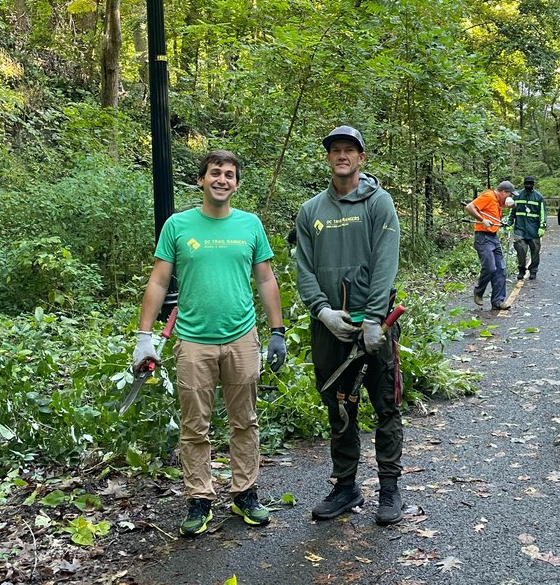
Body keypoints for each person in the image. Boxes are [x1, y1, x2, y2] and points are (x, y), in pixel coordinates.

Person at [133, 149, 287, 538]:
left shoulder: (250, 225)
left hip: (241, 338)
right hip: (192, 342)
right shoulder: (178, 226)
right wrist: (143, 338)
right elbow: (158, 281)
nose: (222, 179)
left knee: (245, 421)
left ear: (237, 184)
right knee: (194, 426)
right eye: (215, 173)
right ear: (201, 180)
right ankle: (199, 499)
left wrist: (277, 331)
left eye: (230, 175)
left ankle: (244, 494)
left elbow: (266, 280)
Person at [295, 125, 404, 526]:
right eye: (335, 150)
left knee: (385, 404)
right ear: (328, 158)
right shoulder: (311, 211)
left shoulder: (379, 203)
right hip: (330, 327)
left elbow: (384, 261)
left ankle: (390, 488)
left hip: (373, 324)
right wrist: (321, 310)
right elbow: (303, 266)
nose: (342, 155)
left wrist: (375, 318)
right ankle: (345, 486)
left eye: (349, 150)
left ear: (361, 158)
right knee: (339, 406)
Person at [465, 180, 516, 310]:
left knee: (501, 269)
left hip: (494, 237)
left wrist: (512, 205)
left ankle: (498, 301)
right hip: (483, 237)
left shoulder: (498, 201)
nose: (510, 197)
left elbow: (507, 205)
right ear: (503, 192)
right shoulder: (488, 196)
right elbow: (469, 207)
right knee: (490, 267)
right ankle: (479, 291)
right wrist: (482, 220)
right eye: (509, 194)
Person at [509, 176, 547, 281]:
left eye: (530, 184)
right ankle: (521, 269)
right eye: (527, 184)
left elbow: (543, 213)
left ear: (533, 184)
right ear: (524, 184)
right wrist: (509, 223)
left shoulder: (538, 197)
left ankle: (533, 270)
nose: (528, 186)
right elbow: (512, 211)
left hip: (534, 230)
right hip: (520, 228)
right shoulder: (517, 196)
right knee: (521, 250)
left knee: (535, 252)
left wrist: (542, 226)